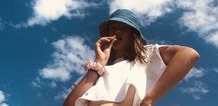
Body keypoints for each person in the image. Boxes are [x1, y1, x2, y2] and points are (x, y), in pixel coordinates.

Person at [63, 9, 200, 106]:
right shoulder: (95, 70)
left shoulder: (146, 56)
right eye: (113, 28)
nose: (117, 31)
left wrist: (149, 100)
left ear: (133, 35)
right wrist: (99, 63)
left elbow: (188, 55)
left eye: (124, 28)